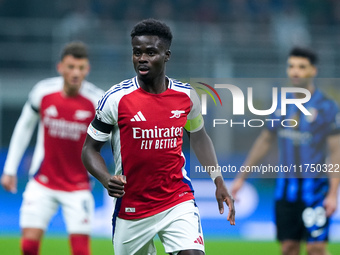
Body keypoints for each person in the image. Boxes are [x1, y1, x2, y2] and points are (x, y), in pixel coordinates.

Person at [81, 18, 235, 255]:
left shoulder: (186, 96)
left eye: (151, 52)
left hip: (177, 198)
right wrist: (105, 178)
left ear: (167, 55)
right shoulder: (115, 98)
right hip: (132, 205)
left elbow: (199, 136)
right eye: (136, 52)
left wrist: (218, 179)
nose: (142, 58)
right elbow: (89, 149)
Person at [231, 47, 340, 255]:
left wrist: (333, 193)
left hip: (316, 191)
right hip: (285, 191)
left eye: (301, 67)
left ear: (313, 71)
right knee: (289, 248)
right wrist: (241, 178)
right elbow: (264, 140)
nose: (295, 71)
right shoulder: (281, 103)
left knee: (316, 248)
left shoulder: (327, 107)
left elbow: (336, 152)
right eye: (291, 66)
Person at [1, 41, 104, 255]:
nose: (75, 73)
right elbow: (23, 127)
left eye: (81, 67)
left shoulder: (97, 100)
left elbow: (116, 138)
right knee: (28, 246)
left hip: (78, 185)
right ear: (60, 68)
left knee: (81, 251)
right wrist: (10, 169)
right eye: (71, 67)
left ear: (87, 69)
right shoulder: (43, 92)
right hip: (42, 181)